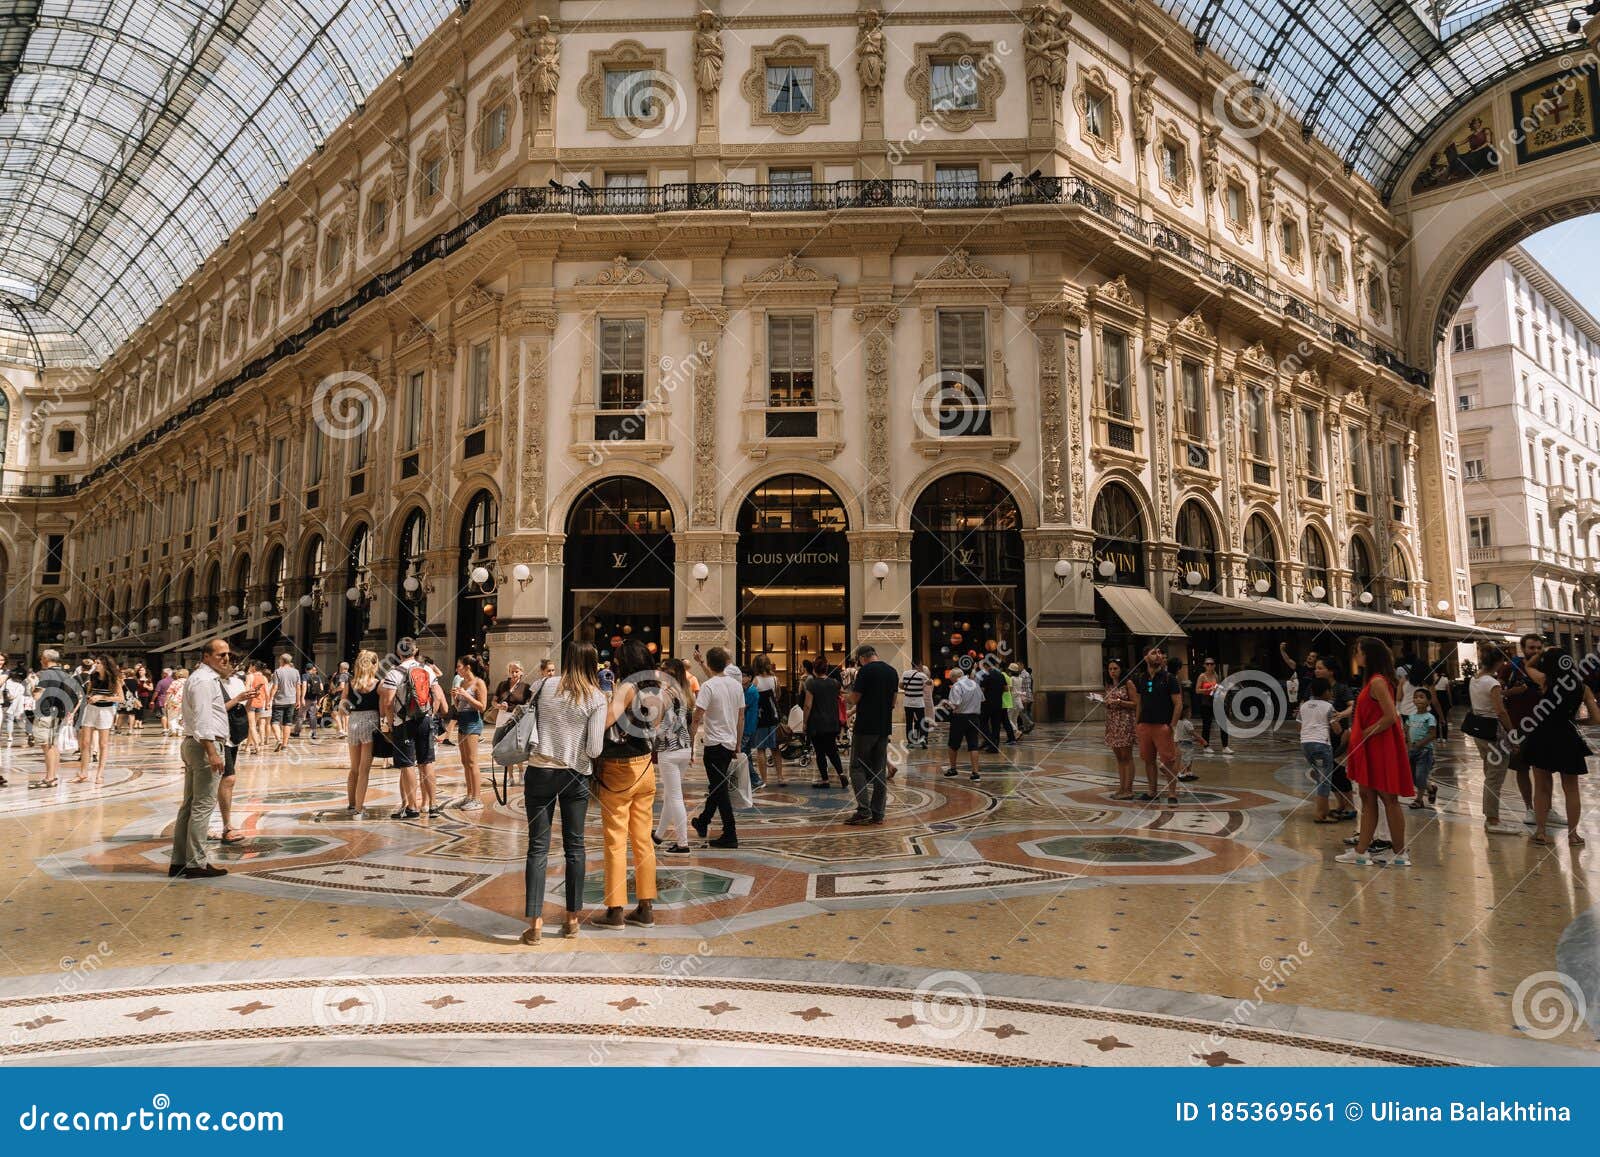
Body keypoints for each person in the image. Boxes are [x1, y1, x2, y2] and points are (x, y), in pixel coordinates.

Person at [521, 642, 608, 943]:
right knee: (575, 847)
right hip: (575, 775)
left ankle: (535, 924)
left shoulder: (544, 685)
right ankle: (572, 920)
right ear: (593, 664)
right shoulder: (596, 697)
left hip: (540, 770)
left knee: (537, 847)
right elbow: (595, 748)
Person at [591, 638, 659, 929]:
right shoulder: (656, 689)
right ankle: (645, 908)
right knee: (643, 840)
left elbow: (606, 720)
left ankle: (615, 909)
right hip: (645, 767)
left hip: (619, 768)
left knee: (616, 839)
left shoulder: (627, 687)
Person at [1337, 637, 1412, 867]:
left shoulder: (1378, 682)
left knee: (1388, 799)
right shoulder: (1373, 680)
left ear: (1368, 654)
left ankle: (1400, 854)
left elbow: (1390, 716)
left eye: (1358, 651)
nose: (1356, 655)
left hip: (1377, 745)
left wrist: (1365, 733)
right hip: (1370, 745)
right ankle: (1361, 852)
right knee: (1368, 798)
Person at [170, 639, 232, 879]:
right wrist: (212, 751)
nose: (226, 658)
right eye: (220, 655)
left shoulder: (198, 678)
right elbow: (204, 718)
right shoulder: (205, 681)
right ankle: (196, 863)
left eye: (228, 655)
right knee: (202, 806)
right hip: (204, 745)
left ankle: (179, 861)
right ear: (206, 656)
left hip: (193, 744)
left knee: (189, 805)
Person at [1519, 647, 1593, 847]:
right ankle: (1573, 834)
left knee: (1542, 787)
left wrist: (1542, 652)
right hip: (1568, 737)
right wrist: (1576, 722)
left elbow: (1528, 665)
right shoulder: (1582, 687)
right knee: (1571, 789)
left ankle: (1541, 832)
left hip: (1542, 736)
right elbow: (1597, 718)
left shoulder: (1545, 681)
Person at [380, 650, 447, 819]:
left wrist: (390, 723)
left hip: (403, 722)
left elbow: (388, 703)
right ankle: (433, 805)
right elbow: (438, 695)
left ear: (398, 653)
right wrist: (431, 715)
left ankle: (412, 807)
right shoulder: (427, 669)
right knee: (427, 762)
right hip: (425, 720)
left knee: (407, 764)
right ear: (415, 652)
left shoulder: (394, 673)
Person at [1464, 647, 1523, 835]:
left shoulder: (1475, 678)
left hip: (1478, 728)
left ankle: (1490, 816)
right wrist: (1512, 735)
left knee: (1489, 771)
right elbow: (1500, 711)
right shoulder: (1492, 683)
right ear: (1498, 663)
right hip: (1493, 729)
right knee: (1495, 776)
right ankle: (1493, 819)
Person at [691, 646, 745, 849]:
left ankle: (730, 833)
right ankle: (703, 821)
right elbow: (741, 716)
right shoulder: (736, 685)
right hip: (730, 741)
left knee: (719, 788)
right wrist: (738, 743)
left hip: (714, 744)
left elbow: (697, 716)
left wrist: (690, 742)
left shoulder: (708, 686)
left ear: (710, 664)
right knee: (717, 785)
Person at [845, 643, 898, 827]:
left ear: (862, 658)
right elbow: (893, 702)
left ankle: (863, 810)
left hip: (865, 726)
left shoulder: (865, 672)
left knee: (856, 767)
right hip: (884, 727)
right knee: (879, 770)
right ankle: (878, 813)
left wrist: (846, 693)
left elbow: (854, 699)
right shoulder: (892, 671)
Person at [1129, 644, 1182, 804]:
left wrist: (1171, 725)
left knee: (1168, 761)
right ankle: (1152, 792)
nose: (1158, 655)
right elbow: (1139, 703)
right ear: (1146, 658)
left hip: (1162, 725)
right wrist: (1137, 724)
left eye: (1159, 653)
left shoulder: (1169, 678)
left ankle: (1172, 793)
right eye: (1154, 653)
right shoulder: (1141, 678)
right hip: (1145, 725)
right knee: (1148, 760)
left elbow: (1178, 704)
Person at [653, 657, 694, 854]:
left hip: (669, 749)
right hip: (684, 748)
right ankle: (659, 835)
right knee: (671, 795)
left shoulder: (664, 694)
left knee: (675, 797)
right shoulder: (684, 692)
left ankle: (683, 843)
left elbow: (658, 723)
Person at [214, 655, 254, 844]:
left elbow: (243, 707)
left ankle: (225, 824)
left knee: (226, 779)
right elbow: (215, 710)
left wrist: (249, 698)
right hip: (215, 736)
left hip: (233, 735)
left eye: (236, 665)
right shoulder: (211, 683)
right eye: (230, 664)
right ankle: (225, 825)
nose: (234, 668)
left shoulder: (238, 681)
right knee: (228, 778)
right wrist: (238, 698)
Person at [28, 650, 80, 789]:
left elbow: (37, 696)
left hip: (45, 713)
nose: (40, 660)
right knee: (53, 745)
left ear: (45, 659)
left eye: (41, 658)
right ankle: (53, 775)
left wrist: (32, 683)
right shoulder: (65, 674)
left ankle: (49, 778)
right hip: (59, 713)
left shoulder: (46, 674)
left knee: (47, 746)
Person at [342, 651, 382, 815]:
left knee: (354, 768)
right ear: (373, 665)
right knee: (364, 769)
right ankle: (359, 808)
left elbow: (343, 708)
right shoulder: (378, 684)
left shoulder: (350, 684)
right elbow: (383, 708)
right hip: (371, 722)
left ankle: (352, 804)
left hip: (353, 722)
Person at [75, 655, 121, 785]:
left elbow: (120, 698)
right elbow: (89, 692)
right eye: (96, 663)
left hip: (105, 711)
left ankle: (99, 774)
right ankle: (83, 773)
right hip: (91, 709)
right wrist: (90, 697)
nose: (96, 665)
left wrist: (101, 697)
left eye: (98, 663)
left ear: (105, 665)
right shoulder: (93, 677)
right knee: (85, 742)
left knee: (103, 744)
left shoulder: (114, 679)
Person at [803, 661, 848, 788]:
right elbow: (843, 695)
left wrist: (805, 722)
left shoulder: (812, 684)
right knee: (832, 749)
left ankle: (825, 780)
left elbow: (807, 705)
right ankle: (841, 773)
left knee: (820, 752)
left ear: (814, 670)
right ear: (826, 669)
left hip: (817, 723)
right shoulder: (834, 683)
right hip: (832, 722)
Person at [452, 655, 488, 809]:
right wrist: (455, 698)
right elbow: (459, 705)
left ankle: (477, 798)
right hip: (462, 720)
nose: (456, 669)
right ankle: (469, 795)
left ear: (467, 667)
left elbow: (482, 707)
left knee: (472, 762)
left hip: (473, 722)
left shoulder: (479, 683)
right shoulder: (461, 682)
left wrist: (466, 695)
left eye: (459, 666)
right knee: (465, 761)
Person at [1300, 678, 1339, 822]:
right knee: (1325, 781)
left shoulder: (1304, 706)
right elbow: (1337, 728)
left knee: (1320, 777)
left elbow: (1300, 725)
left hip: (1305, 744)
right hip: (1321, 744)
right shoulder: (1328, 707)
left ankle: (1325, 810)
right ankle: (1320, 814)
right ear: (1326, 691)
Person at [1101, 658, 1137, 799]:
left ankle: (1129, 789)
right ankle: (1121, 788)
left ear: (1121, 669)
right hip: (1113, 722)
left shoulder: (1128, 683)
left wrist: (1119, 702)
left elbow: (1135, 703)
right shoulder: (1109, 685)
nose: (1112, 672)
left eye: (1115, 668)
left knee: (1127, 756)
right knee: (1119, 757)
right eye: (1110, 669)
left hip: (1125, 722)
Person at [749, 654, 786, 786]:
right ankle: (780, 777)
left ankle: (764, 780)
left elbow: (752, 698)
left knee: (761, 749)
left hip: (761, 718)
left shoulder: (755, 681)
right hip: (774, 716)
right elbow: (778, 696)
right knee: (775, 748)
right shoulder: (775, 679)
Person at [943, 665, 984, 782]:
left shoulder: (957, 686)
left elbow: (955, 703)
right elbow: (982, 699)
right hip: (974, 717)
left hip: (960, 718)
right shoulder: (975, 684)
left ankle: (953, 768)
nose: (951, 681)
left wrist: (946, 704)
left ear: (954, 677)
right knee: (973, 745)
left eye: (951, 679)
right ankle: (975, 772)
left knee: (953, 744)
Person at [1405, 688, 1439, 810]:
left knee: (1420, 776)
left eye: (1421, 697)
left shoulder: (1429, 717)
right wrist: (1409, 745)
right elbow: (1407, 731)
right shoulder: (1411, 717)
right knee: (1414, 777)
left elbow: (1432, 734)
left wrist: (1420, 744)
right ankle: (1431, 788)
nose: (1418, 699)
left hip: (1424, 751)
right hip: (1412, 750)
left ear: (1429, 701)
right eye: (1416, 697)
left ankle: (1419, 800)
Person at [977, 660, 1015, 749]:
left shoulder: (985, 676)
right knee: (996, 725)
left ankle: (989, 740)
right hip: (998, 703)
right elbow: (1006, 689)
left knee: (983, 723)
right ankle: (994, 746)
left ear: (986, 666)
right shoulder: (1001, 675)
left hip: (986, 704)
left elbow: (982, 690)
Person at [269, 653, 302, 752]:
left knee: (274, 722)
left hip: (279, 701)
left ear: (282, 660)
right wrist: (298, 700)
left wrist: (270, 699)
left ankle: (279, 740)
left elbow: (275, 687)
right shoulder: (296, 672)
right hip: (291, 700)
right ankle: (284, 745)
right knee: (287, 723)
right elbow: (298, 687)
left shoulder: (277, 671)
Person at [1193, 657, 1227, 753]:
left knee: (1223, 724)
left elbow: (1219, 686)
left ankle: (1225, 746)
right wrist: (1207, 690)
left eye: (1211, 664)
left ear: (1214, 665)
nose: (1209, 666)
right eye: (1207, 664)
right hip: (1206, 703)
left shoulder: (1216, 675)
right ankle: (1206, 745)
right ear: (1204, 665)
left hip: (1216, 701)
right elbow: (1197, 690)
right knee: (1207, 725)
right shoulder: (1202, 676)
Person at [901, 662, 929, 747]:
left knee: (909, 722)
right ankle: (923, 739)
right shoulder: (922, 675)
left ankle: (910, 742)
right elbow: (929, 683)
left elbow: (900, 685)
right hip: (919, 703)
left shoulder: (905, 673)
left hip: (907, 702)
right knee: (922, 722)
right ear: (919, 666)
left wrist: (908, 689)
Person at [244, 661, 270, 754]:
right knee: (253, 726)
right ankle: (247, 746)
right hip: (260, 704)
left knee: (252, 726)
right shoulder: (264, 678)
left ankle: (257, 747)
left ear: (254, 667)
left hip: (251, 703)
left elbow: (246, 690)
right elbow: (267, 693)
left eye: (250, 665)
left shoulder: (250, 676)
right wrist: (267, 703)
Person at [297, 663, 326, 739]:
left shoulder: (305, 676)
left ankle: (296, 732)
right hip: (314, 699)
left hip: (306, 699)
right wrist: (319, 699)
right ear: (312, 669)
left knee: (301, 715)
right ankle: (314, 733)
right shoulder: (317, 677)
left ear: (305, 669)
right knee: (313, 716)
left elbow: (304, 685)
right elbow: (321, 688)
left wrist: (302, 697)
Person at [3, 667, 28, 749]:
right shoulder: (20, 683)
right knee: (21, 719)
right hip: (19, 702)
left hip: (10, 702)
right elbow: (23, 692)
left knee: (9, 720)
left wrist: (10, 697)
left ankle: (10, 736)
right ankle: (28, 733)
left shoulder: (6, 682)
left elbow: (6, 692)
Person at [163, 668, 188, 738]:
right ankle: (180, 731)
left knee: (172, 717)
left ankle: (174, 731)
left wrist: (166, 701)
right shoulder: (188, 682)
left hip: (174, 702)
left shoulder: (175, 682)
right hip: (185, 702)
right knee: (181, 717)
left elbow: (169, 692)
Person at [331, 661, 351, 739]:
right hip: (349, 697)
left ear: (341, 668)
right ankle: (346, 731)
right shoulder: (350, 675)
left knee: (334, 713)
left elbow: (341, 687)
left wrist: (334, 690)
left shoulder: (342, 675)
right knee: (346, 714)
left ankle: (340, 730)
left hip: (340, 697)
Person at [1014, 663, 1035, 734]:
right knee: (1027, 711)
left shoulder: (1022, 675)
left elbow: (1019, 685)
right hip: (1028, 694)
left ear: (1022, 665)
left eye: (1018, 665)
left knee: (1022, 711)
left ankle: (1029, 723)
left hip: (1024, 695)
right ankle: (1028, 726)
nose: (1017, 667)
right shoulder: (1028, 674)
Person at [1432, 668, 1453, 740]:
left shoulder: (1432, 678)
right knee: (1444, 717)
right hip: (1444, 698)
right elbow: (1448, 692)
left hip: (1435, 696)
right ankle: (1444, 737)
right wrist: (1450, 702)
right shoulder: (1445, 679)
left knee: (1436, 718)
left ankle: (1437, 736)